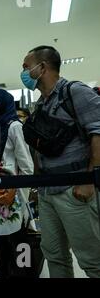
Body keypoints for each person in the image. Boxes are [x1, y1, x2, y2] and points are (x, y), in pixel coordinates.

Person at [21, 45, 100, 278]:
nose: (24, 72)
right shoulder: (41, 104)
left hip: (75, 190)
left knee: (92, 258)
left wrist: (88, 180)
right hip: (48, 193)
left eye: (26, 67)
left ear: (42, 67)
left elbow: (98, 132)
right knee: (54, 255)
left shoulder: (75, 92)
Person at [0, 89, 34, 278]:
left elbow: (26, 165)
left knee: (19, 241)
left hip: (14, 196)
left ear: (3, 102)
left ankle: (25, 274)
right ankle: (3, 273)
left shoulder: (14, 127)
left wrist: (23, 199)